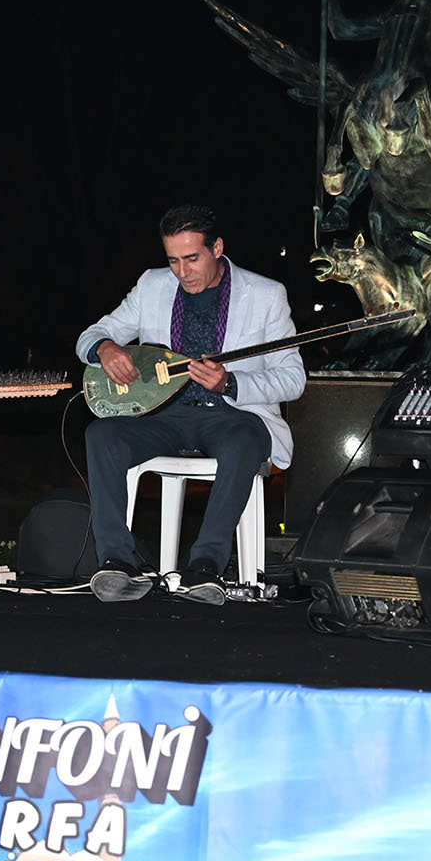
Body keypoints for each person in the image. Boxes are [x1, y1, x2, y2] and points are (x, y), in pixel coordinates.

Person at [77, 204, 305, 605]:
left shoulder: (266, 295)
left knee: (245, 440)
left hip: (231, 416)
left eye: (192, 258)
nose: (183, 272)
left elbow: (293, 379)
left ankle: (205, 566)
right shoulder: (152, 285)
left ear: (217, 248)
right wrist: (106, 348)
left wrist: (230, 382)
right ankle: (117, 561)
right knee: (102, 435)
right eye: (173, 260)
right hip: (163, 417)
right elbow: (91, 336)